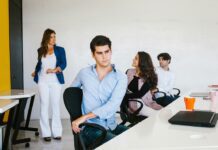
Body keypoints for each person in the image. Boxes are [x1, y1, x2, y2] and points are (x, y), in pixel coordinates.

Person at [71, 35, 128, 147]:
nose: (104, 56)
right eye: (99, 53)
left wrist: (84, 116)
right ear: (93, 54)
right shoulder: (84, 73)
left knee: (135, 139)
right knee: (117, 146)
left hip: (112, 125)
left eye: (107, 52)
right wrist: (78, 117)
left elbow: (112, 105)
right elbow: (71, 94)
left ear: (111, 51)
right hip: (90, 127)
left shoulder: (121, 77)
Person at [32, 28, 67, 142]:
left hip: (55, 81)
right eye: (51, 36)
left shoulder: (60, 50)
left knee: (55, 105)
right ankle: (46, 133)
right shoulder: (40, 50)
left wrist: (55, 70)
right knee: (44, 105)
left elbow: (63, 63)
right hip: (43, 81)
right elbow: (39, 64)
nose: (54, 39)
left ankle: (57, 133)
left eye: (55, 36)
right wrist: (35, 71)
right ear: (46, 37)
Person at [123, 51, 162, 117]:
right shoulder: (129, 72)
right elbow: (121, 87)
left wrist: (124, 96)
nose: (133, 59)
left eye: (136, 58)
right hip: (134, 103)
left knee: (163, 115)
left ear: (142, 62)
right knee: (157, 116)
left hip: (146, 102)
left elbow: (140, 94)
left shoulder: (148, 76)